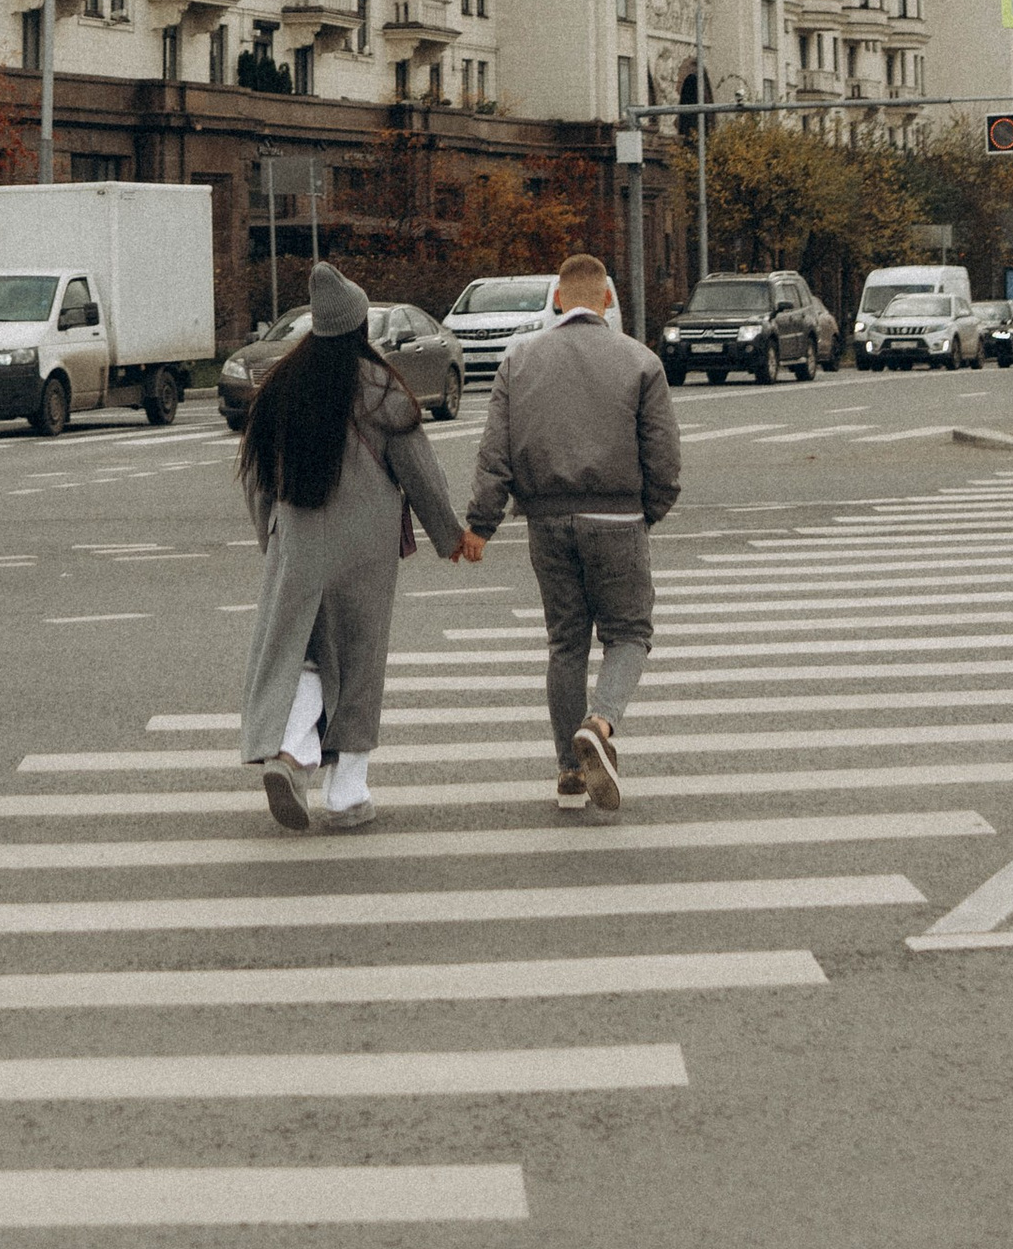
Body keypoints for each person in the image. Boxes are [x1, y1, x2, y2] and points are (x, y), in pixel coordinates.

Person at [239, 262, 474, 833]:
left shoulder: (283, 385)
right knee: (359, 663)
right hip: (364, 551)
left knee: (307, 654)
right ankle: (346, 795)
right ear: (359, 327)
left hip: (296, 544)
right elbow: (419, 471)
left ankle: (293, 753)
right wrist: (450, 536)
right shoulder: (381, 388)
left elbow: (256, 479)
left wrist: (270, 534)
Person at [464, 251, 682, 814]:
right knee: (629, 633)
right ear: (608, 298)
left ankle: (568, 768)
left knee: (566, 643)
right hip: (617, 516)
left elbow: (495, 455)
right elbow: (664, 456)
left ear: (558, 299)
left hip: (546, 519)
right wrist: (646, 510)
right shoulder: (640, 361)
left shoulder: (520, 362)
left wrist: (481, 525)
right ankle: (600, 725)